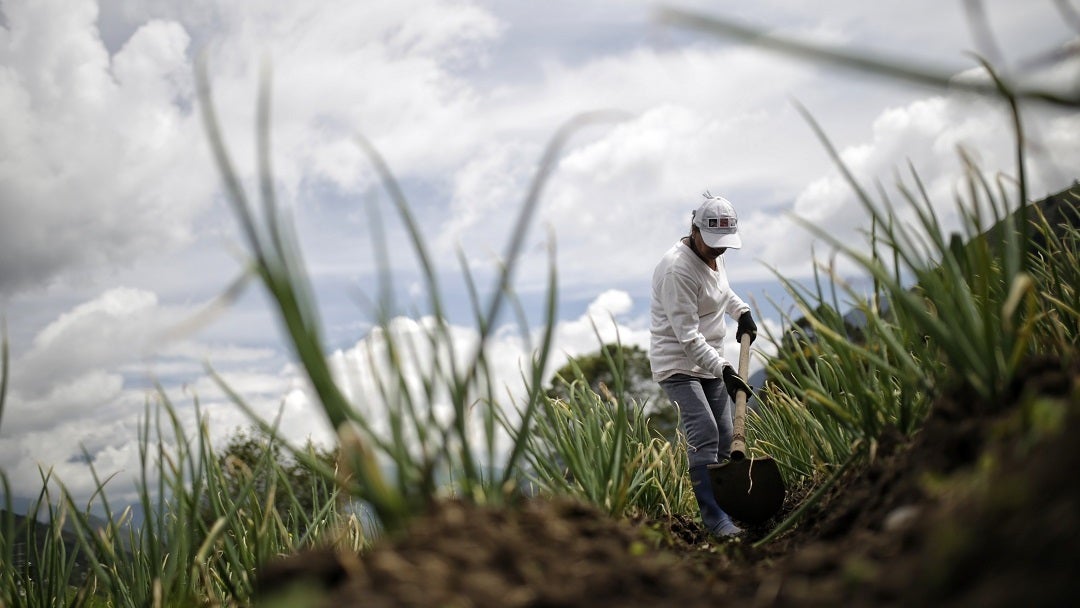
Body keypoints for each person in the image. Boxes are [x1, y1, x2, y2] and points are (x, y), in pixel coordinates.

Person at [649, 192, 757, 538]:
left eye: (723, 244)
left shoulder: (716, 254)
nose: (718, 250)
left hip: (710, 359)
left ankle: (732, 510)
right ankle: (716, 521)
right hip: (679, 363)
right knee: (705, 434)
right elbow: (687, 337)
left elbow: (721, 292)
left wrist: (742, 312)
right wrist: (725, 370)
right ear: (694, 230)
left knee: (727, 436)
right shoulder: (676, 270)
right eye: (712, 243)